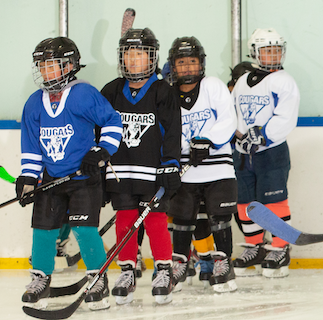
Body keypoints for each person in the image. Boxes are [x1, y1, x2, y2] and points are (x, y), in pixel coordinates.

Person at [16, 36, 123, 310]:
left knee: (84, 229)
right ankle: (40, 277)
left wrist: (100, 151)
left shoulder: (83, 94)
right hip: (52, 178)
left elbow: (112, 121)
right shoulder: (34, 103)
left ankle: (97, 278)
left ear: (69, 65)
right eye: (41, 65)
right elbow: (31, 145)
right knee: (43, 229)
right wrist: (29, 177)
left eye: (51, 65)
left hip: (83, 178)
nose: (45, 71)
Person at [101, 28, 181, 305]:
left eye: (140, 54)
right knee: (125, 220)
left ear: (152, 58)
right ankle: (127, 271)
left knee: (156, 220)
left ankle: (163, 270)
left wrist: (171, 164)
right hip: (120, 171)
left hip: (153, 170)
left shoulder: (163, 91)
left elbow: (172, 131)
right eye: (128, 54)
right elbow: (97, 128)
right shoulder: (111, 90)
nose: (133, 60)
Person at [167, 36, 238, 293]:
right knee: (183, 217)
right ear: (173, 66)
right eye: (181, 62)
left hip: (217, 167)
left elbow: (228, 118)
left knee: (219, 216)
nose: (187, 67)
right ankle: (180, 263)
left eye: (192, 61)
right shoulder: (168, 94)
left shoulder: (213, 86)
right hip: (186, 171)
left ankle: (223, 263)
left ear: (202, 63)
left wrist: (207, 140)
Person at [231, 28, 300, 278]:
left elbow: (286, 116)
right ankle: (255, 247)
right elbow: (235, 112)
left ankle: (280, 248)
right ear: (255, 52)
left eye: (276, 50)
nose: (272, 55)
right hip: (243, 154)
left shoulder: (284, 80)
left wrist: (262, 135)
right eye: (266, 50)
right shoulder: (242, 81)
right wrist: (237, 134)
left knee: (273, 201)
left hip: (271, 152)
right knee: (245, 202)